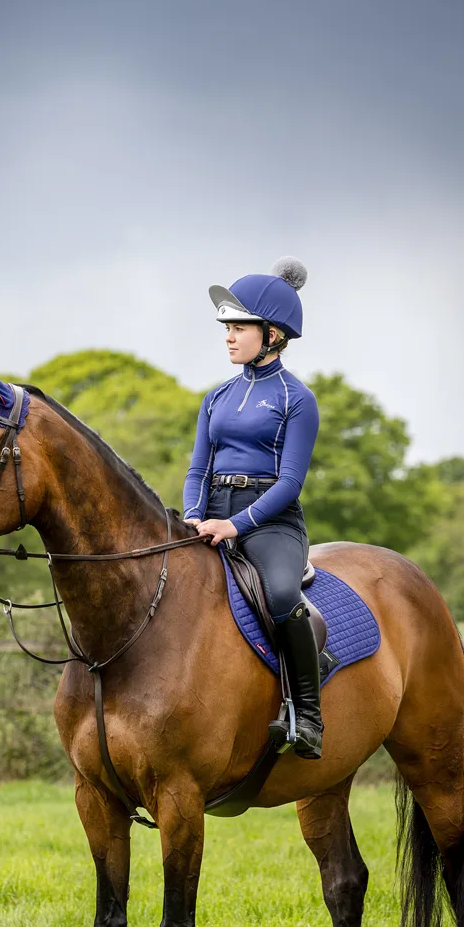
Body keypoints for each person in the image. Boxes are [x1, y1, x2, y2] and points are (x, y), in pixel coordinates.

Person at [182, 257, 323, 758]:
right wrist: (193, 515)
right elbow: (198, 469)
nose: (229, 336)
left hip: (270, 521)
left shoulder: (297, 399)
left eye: (239, 327)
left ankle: (307, 714)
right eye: (227, 327)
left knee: (283, 595)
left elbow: (290, 483)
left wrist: (236, 524)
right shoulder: (216, 397)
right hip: (212, 507)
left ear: (274, 334)